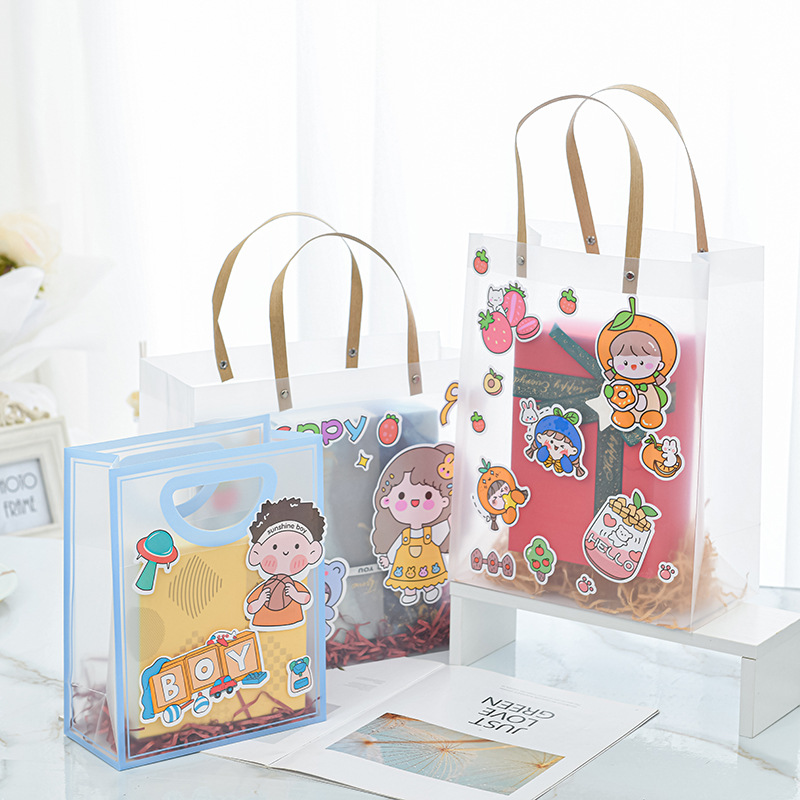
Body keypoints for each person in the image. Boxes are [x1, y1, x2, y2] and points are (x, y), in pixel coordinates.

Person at [371, 444, 453, 606]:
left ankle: (430, 589)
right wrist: (388, 559)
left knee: (430, 577)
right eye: (401, 496)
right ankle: (410, 592)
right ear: (387, 501)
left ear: (444, 501)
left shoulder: (431, 532)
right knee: (408, 581)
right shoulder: (403, 535)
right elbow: (395, 547)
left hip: (428, 563)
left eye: (428, 495)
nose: (415, 502)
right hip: (406, 565)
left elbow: (441, 532)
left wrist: (449, 523)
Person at [244, 497, 325, 630]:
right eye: (274, 547)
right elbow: (251, 608)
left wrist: (295, 594)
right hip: (263, 623)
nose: (286, 553)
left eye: (297, 546)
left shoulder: (293, 584)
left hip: (293, 623)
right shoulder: (266, 586)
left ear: (313, 552)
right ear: (256, 553)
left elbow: (306, 598)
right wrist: (261, 600)